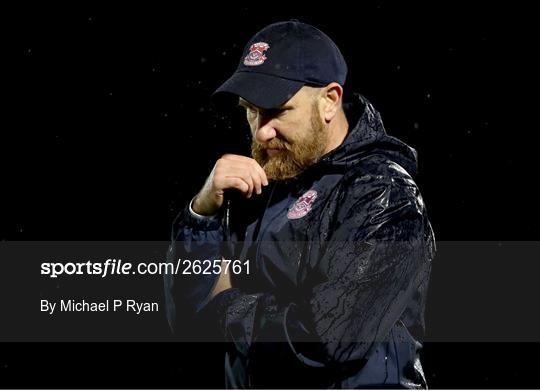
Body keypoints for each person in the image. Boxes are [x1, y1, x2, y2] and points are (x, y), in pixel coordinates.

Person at [164, 20, 436, 389]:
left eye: (278, 111)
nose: (261, 131)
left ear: (329, 100)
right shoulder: (257, 183)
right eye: (250, 110)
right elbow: (185, 319)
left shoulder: (381, 191)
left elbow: (329, 338)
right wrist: (201, 215)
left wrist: (225, 303)